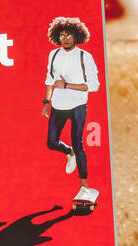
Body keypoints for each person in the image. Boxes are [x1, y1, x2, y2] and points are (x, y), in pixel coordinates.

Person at [41, 16, 99, 203]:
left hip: (78, 105)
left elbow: (94, 86)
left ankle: (84, 188)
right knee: (51, 142)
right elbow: (50, 80)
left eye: (69, 35)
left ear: (77, 36)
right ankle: (69, 153)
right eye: (62, 35)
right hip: (58, 104)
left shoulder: (85, 57)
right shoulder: (54, 55)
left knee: (78, 142)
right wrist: (46, 102)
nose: (65, 39)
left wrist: (67, 86)